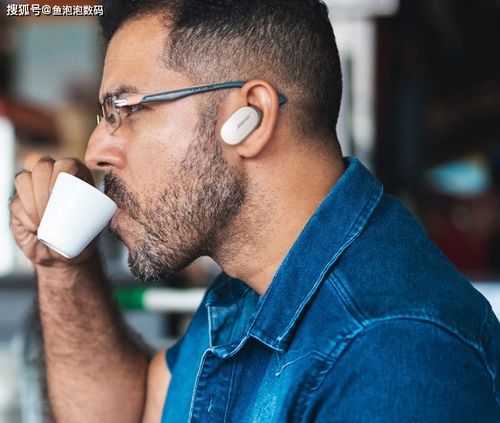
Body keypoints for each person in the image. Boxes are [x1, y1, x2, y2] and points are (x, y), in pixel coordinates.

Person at [9, 1, 500, 422]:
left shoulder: (390, 352)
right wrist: (62, 266)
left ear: (251, 118)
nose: (96, 149)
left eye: (127, 109)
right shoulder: (251, 285)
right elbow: (131, 410)